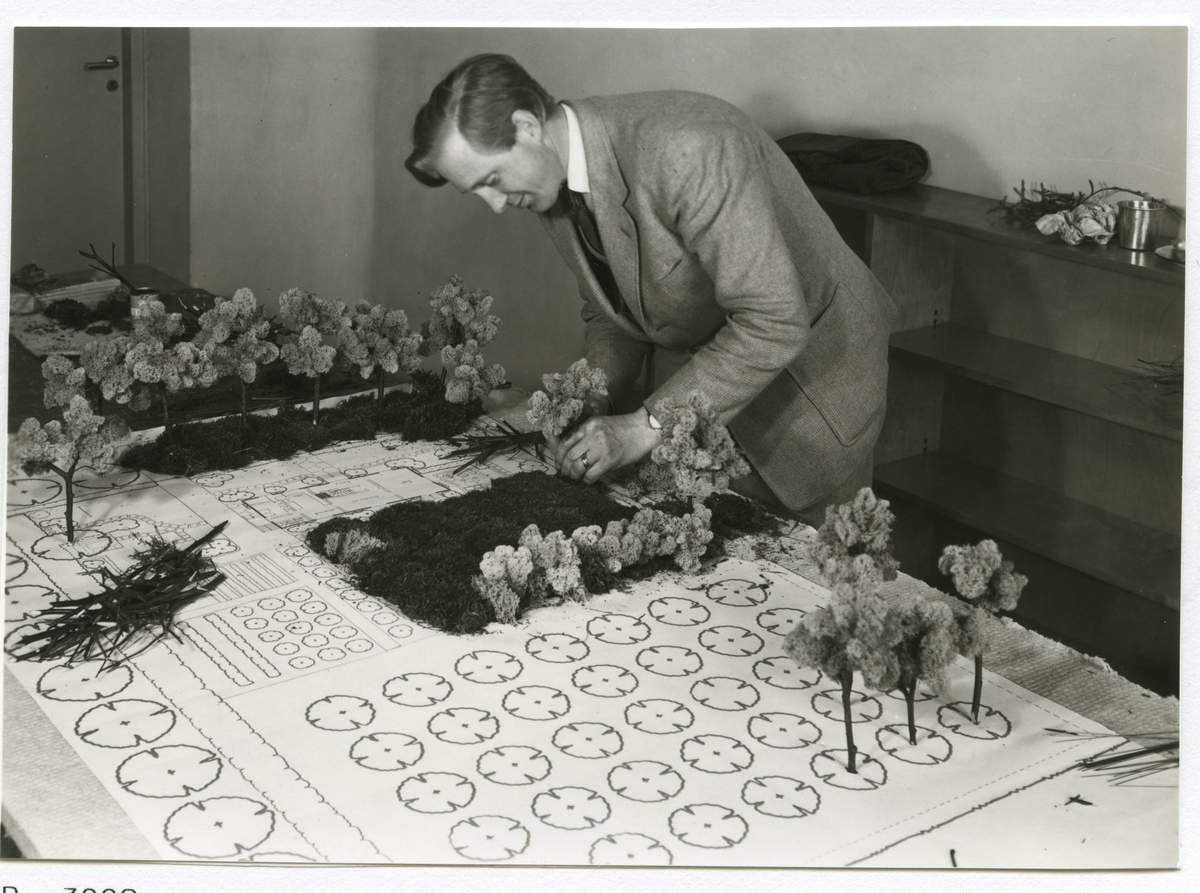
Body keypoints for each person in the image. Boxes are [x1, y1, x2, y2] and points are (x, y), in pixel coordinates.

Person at [406, 53, 896, 524]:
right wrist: (591, 397)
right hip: (706, 398)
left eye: (492, 179)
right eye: (478, 190)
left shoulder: (688, 149)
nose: (495, 204)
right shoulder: (552, 177)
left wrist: (645, 426)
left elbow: (774, 322)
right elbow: (615, 310)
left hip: (812, 388)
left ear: (527, 126)